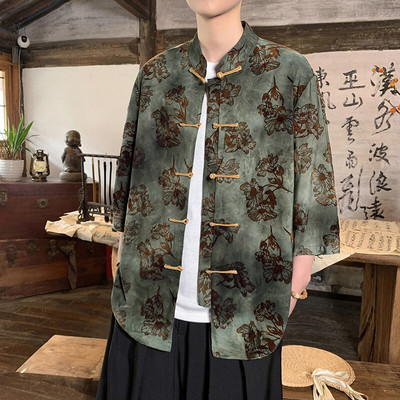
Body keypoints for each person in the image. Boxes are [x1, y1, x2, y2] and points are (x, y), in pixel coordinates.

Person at [96, 1, 340, 399]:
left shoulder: (289, 71)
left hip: (248, 308)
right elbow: (132, 172)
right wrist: (123, 254)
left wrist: (297, 282)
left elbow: (315, 182)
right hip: (148, 303)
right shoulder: (156, 74)